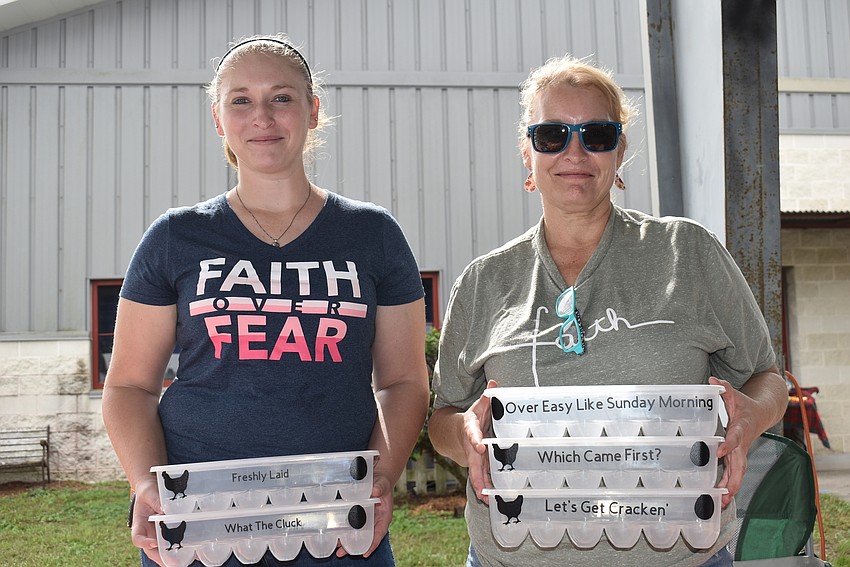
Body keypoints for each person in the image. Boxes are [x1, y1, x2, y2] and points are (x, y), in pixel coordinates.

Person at [427, 54, 788, 567]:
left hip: (681, 556)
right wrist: (464, 436)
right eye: (551, 135)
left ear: (619, 150)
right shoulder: (485, 281)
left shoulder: (688, 253)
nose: (574, 151)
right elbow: (443, 418)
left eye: (596, 134)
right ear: (527, 152)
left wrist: (750, 416)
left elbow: (768, 378)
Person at [102, 34, 430, 567]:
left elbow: (404, 381)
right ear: (218, 118)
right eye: (241, 100)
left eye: (281, 97)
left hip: (338, 520)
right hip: (200, 518)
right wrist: (146, 484)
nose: (262, 116)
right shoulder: (175, 237)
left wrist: (382, 476)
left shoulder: (373, 235)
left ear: (312, 111)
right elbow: (129, 385)